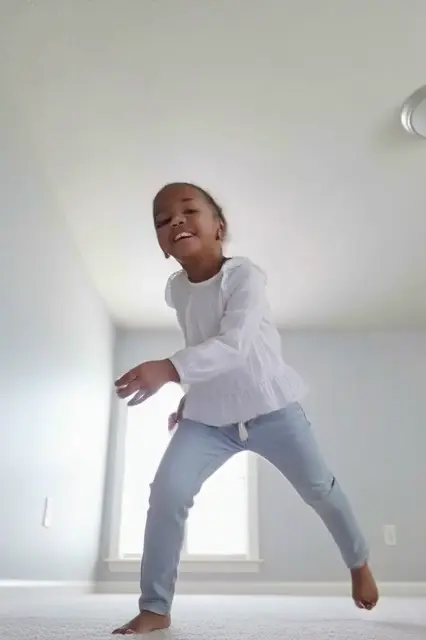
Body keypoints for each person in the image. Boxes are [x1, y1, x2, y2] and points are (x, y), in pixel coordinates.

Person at [113, 182, 379, 635]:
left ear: (219, 227)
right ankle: (155, 606)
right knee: (167, 494)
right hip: (207, 419)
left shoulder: (244, 277)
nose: (176, 220)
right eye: (163, 219)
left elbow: (234, 345)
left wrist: (170, 369)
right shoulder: (176, 290)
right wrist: (191, 396)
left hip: (272, 409)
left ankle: (358, 561)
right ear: (162, 245)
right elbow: (200, 343)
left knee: (319, 487)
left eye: (188, 210)